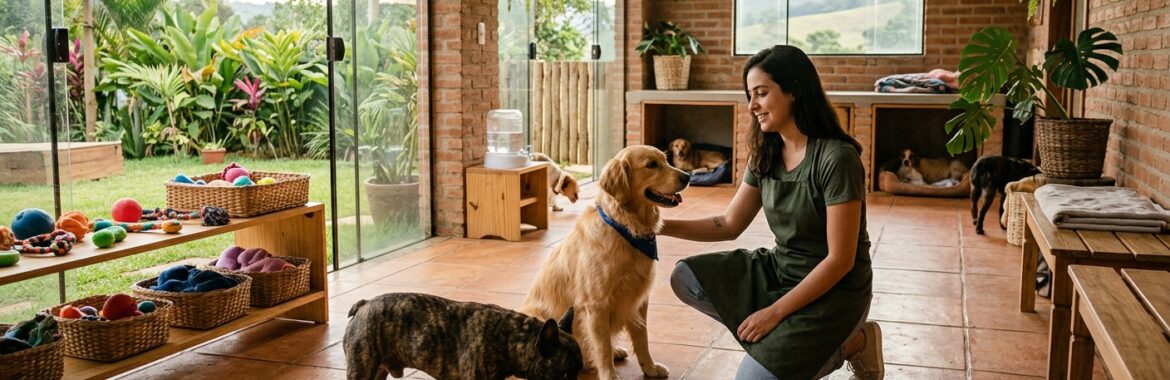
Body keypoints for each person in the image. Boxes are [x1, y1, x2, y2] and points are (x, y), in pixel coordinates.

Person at [661, 45, 884, 380]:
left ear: (793, 90)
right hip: (782, 271)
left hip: (837, 292)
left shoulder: (836, 158)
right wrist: (658, 226)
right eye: (750, 95)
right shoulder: (766, 154)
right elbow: (728, 223)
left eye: (762, 94)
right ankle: (782, 347)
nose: (752, 107)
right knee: (686, 278)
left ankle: (854, 343)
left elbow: (840, 261)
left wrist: (774, 314)